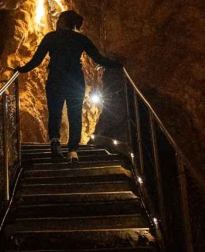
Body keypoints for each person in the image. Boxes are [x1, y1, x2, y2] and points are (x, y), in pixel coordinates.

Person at [12, 10, 123, 161]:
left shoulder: (51, 37)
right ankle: (73, 151)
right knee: (75, 115)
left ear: (62, 21)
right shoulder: (81, 39)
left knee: (55, 114)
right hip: (75, 81)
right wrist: (118, 64)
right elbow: (98, 59)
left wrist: (21, 69)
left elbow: (36, 60)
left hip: (55, 79)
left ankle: (55, 142)